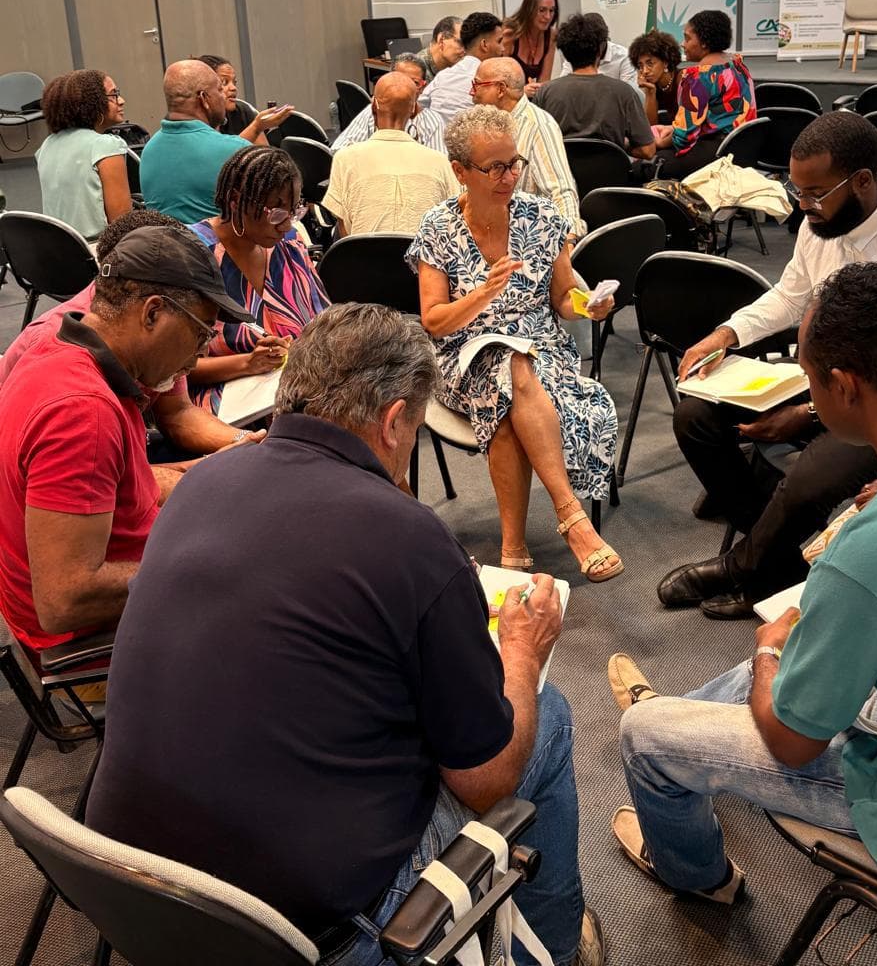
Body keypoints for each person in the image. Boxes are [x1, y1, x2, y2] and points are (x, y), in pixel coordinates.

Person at [85, 303, 603, 966]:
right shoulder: (410, 538)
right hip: (308, 934)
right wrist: (522, 658)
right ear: (393, 421)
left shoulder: (202, 481)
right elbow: (486, 779)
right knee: (547, 716)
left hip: (135, 892)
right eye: (415, 427)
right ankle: (553, 950)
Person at [611, 262, 877, 909]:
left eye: (808, 378)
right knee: (798, 655)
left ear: (844, 387)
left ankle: (698, 875)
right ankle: (684, 715)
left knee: (653, 735)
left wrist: (769, 650)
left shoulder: (868, 551)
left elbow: (795, 745)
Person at [658, 112, 877, 619]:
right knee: (695, 418)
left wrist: (809, 417)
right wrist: (727, 333)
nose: (803, 206)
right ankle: (779, 552)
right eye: (797, 192)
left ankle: (746, 568)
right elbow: (791, 295)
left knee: (808, 479)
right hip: (820, 378)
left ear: (862, 181)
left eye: (814, 193)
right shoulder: (821, 219)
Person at [0, 226, 252, 654]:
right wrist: (203, 569)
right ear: (152, 313)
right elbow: (64, 600)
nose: (199, 354)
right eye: (201, 332)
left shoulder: (59, 349)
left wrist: (216, 469)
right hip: (91, 644)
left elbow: (123, 487)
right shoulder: (83, 411)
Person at [408, 105, 623, 582]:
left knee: (511, 383)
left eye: (514, 163)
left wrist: (589, 307)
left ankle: (513, 546)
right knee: (509, 362)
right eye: (495, 167)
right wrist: (484, 293)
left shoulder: (542, 217)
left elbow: (565, 295)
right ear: (459, 171)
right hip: (461, 356)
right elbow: (434, 321)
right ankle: (572, 517)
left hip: (542, 349)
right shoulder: (438, 227)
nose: (509, 177)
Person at [0, 208, 263, 459]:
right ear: (152, 313)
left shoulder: (124, 329)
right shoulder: (79, 404)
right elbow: (120, 487)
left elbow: (176, 413)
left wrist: (250, 444)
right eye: (201, 332)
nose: (204, 350)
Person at [188, 145, 330, 415]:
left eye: (294, 212)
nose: (287, 225)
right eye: (276, 214)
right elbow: (170, 371)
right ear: (235, 201)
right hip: (228, 400)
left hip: (295, 388)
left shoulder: (288, 243)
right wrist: (247, 363)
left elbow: (322, 326)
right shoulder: (193, 255)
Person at [323, 72, 458, 236]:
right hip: (421, 261)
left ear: (373, 107)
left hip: (362, 260)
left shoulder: (344, 159)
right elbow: (453, 220)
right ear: (414, 110)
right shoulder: (441, 162)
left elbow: (344, 235)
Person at [471, 56, 585, 239]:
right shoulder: (483, 121)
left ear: (500, 89)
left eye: (477, 85)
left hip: (523, 237)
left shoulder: (538, 125)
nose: (472, 92)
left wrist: (568, 240)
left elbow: (561, 191)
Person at [532, 14, 655, 165]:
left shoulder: (545, 93)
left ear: (565, 52)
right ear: (601, 48)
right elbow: (648, 150)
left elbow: (534, 144)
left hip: (561, 180)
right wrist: (617, 144)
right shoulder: (624, 93)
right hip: (612, 182)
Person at [140, 59, 250, 223]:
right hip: (217, 247)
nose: (224, 95)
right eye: (220, 89)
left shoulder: (148, 150)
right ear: (204, 99)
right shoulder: (236, 151)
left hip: (164, 247)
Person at [651, 10, 755, 179]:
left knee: (643, 165)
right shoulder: (737, 64)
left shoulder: (697, 77)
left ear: (704, 43)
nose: (682, 44)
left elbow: (684, 138)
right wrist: (673, 128)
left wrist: (659, 142)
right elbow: (721, 115)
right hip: (741, 151)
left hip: (715, 157)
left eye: (687, 38)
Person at [35, 69, 132, 240]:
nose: (122, 101)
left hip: (59, 252)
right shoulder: (105, 146)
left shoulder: (47, 145)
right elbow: (123, 226)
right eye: (114, 95)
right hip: (98, 253)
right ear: (91, 103)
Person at [333, 53, 446, 154]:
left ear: (422, 87)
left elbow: (439, 165)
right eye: (399, 80)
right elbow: (338, 149)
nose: (405, 87)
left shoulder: (433, 122)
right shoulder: (372, 112)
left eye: (414, 82)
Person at [420, 12, 504, 125]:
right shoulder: (492, 82)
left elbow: (419, 107)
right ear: (484, 45)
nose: (503, 49)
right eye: (499, 41)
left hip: (433, 140)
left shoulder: (442, 76)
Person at [197, 53, 294, 144]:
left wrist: (258, 127)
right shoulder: (195, 121)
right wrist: (256, 127)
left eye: (234, 82)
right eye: (224, 82)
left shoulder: (243, 111)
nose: (233, 88)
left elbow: (265, 156)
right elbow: (220, 157)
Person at [502, 0, 559, 97]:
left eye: (551, 11)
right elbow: (498, 82)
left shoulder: (551, 36)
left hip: (532, 100)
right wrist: (521, 92)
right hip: (507, 100)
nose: (547, 16)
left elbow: (544, 81)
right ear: (529, 10)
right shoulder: (509, 34)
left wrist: (537, 89)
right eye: (542, 10)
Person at [560, 13, 635, 87]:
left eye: (594, 43)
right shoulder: (577, 53)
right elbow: (563, 83)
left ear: (604, 40)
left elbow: (628, 90)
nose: (590, 47)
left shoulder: (624, 56)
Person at [628, 30, 683, 126]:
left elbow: (687, 125)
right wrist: (650, 92)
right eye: (640, 66)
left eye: (650, 63)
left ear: (665, 62)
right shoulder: (653, 85)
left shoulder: (683, 79)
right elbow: (651, 127)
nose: (644, 71)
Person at [417, 14, 464, 82]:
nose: (465, 50)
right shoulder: (416, 72)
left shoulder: (458, 66)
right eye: (461, 43)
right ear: (441, 40)